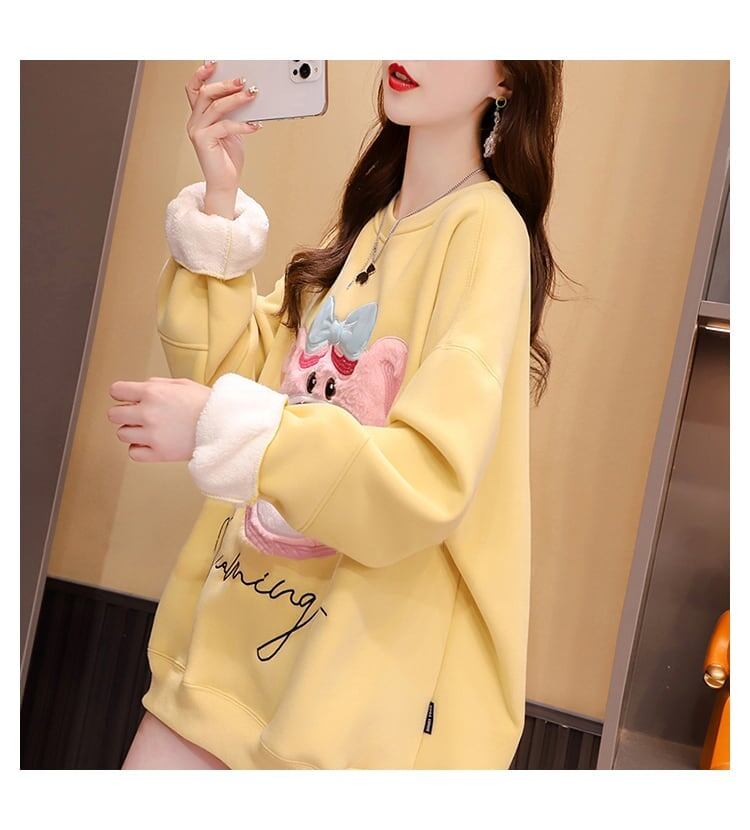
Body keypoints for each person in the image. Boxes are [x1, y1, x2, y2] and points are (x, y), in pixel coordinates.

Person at [112, 59, 564, 770]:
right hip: (222, 661)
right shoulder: (377, 220)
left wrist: (219, 426)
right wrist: (221, 201)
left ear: (505, 80)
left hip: (333, 706)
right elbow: (240, 384)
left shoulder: (485, 231)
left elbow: (425, 479)